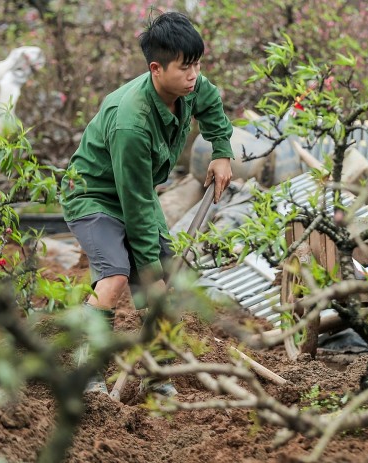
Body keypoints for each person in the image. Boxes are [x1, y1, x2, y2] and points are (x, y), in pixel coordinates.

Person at [61, 11, 234, 395]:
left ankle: (156, 377)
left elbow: (211, 104)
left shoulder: (190, 87)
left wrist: (221, 152)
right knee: (116, 277)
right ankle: (87, 371)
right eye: (185, 67)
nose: (194, 75)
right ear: (156, 69)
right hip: (94, 197)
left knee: (163, 284)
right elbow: (137, 207)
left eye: (197, 64)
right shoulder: (131, 122)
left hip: (135, 192)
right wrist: (149, 274)